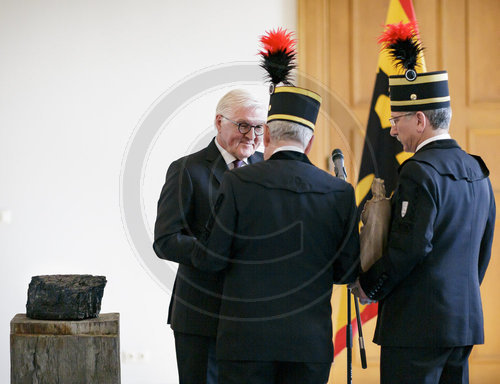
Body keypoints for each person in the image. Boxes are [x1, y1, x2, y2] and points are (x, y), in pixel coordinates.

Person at [192, 84, 360, 384]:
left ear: (266, 135)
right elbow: (347, 271)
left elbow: (212, 259)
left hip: (245, 344)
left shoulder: (236, 182)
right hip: (309, 345)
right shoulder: (340, 192)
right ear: (309, 144)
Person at [351, 69, 496, 383]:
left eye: (396, 120)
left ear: (420, 119)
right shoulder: (477, 169)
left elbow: (409, 247)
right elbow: (482, 251)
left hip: (415, 329)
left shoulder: (418, 171)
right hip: (462, 325)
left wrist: (368, 284)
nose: (391, 131)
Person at [153, 89, 266, 384]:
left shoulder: (267, 168)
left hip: (254, 319)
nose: (252, 135)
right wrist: (213, 253)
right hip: (202, 318)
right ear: (219, 122)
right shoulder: (187, 170)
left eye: (258, 127)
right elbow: (165, 239)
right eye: (243, 125)